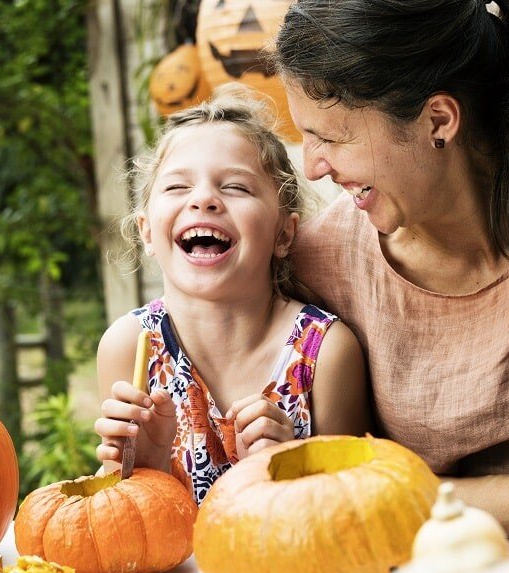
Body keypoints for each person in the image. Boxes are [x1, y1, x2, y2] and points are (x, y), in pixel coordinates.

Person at [273, 0, 509, 545]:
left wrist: (418, 497)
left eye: (331, 137)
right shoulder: (322, 262)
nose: (312, 166)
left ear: (438, 121)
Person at [94, 85, 373, 504]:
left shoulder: (326, 353)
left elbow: (357, 507)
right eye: (176, 188)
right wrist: (145, 471)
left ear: (284, 233)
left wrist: (289, 472)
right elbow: (118, 522)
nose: (204, 199)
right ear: (147, 232)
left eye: (236, 188)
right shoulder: (131, 346)